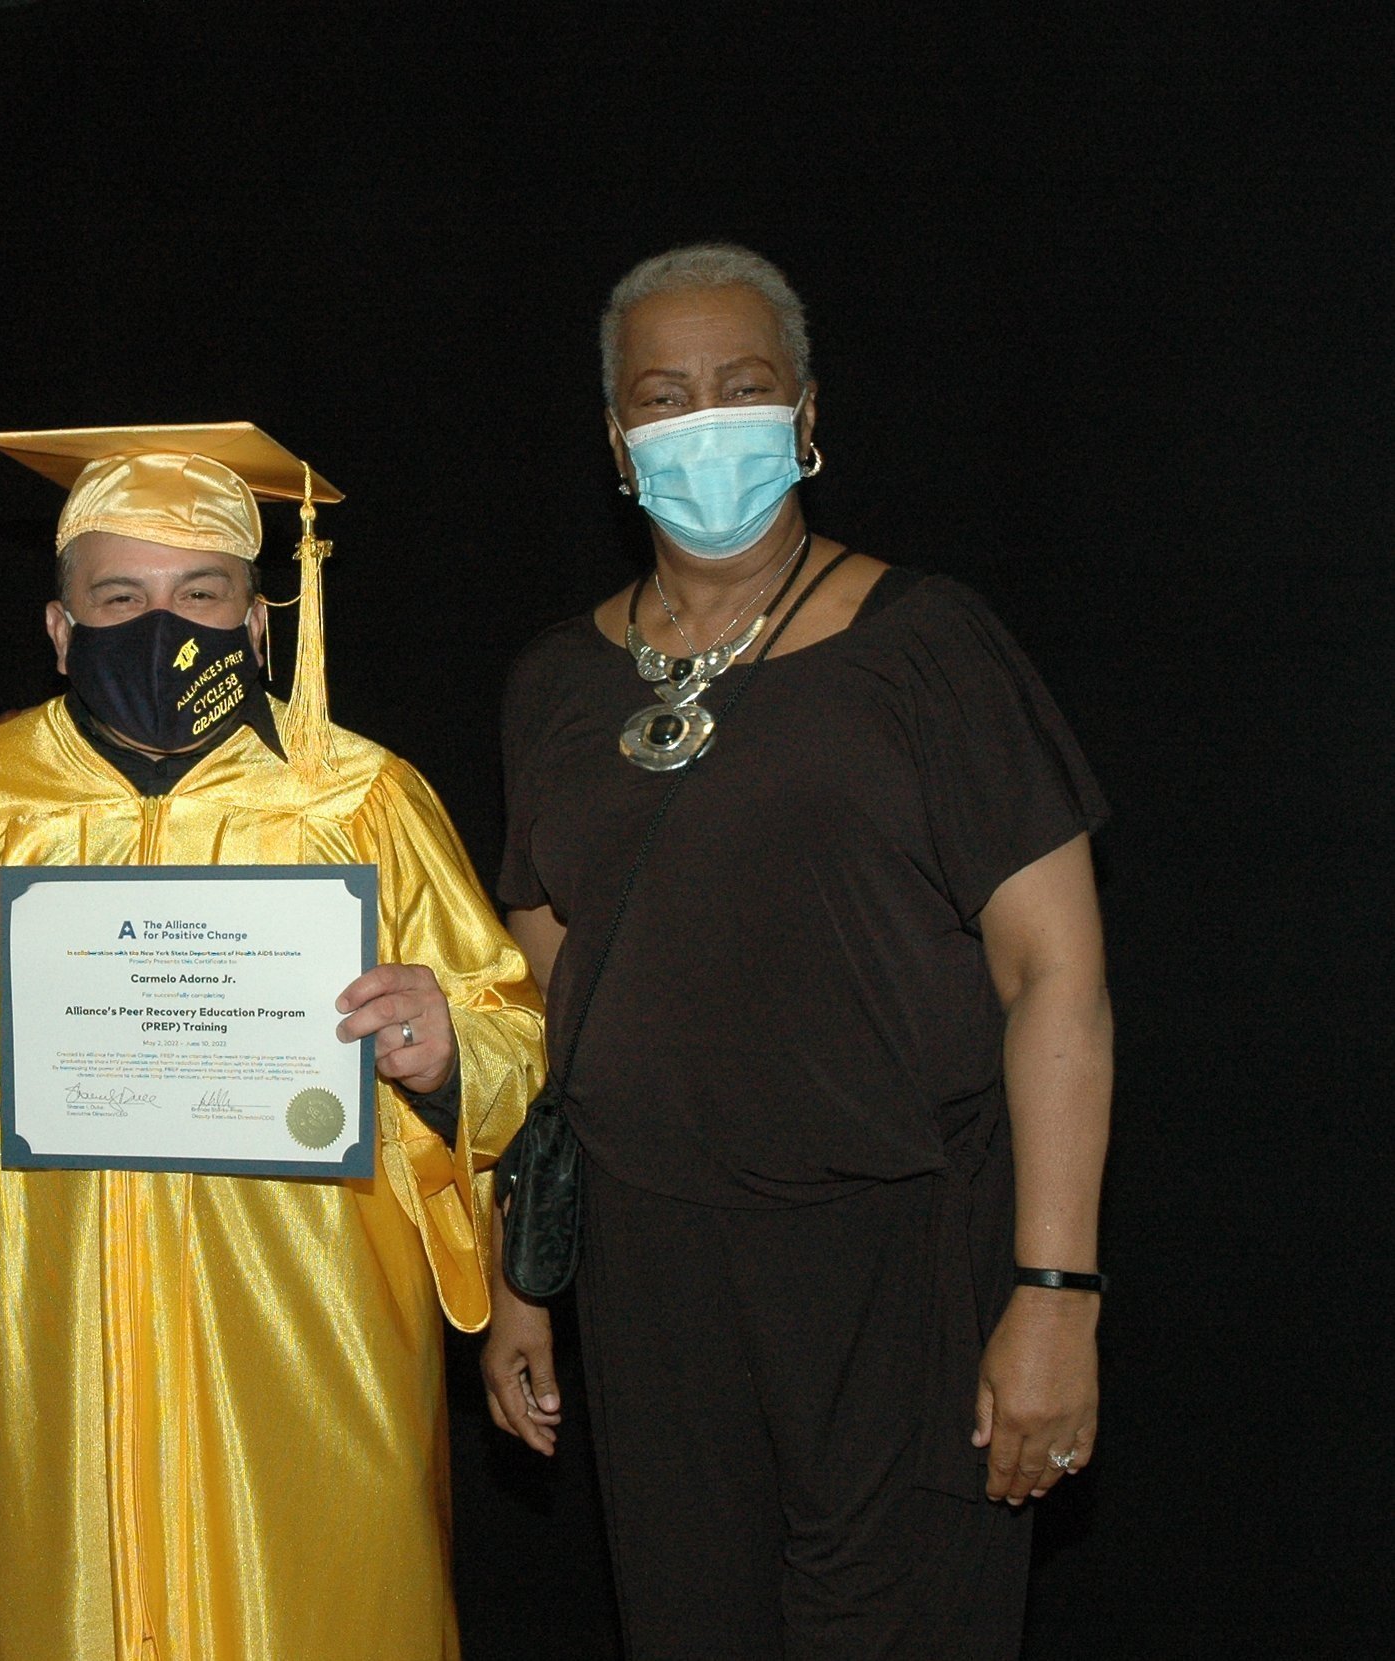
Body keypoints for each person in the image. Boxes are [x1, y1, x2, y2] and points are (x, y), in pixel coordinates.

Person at [0, 424, 544, 1661]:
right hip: (54, 1319)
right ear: (61, 627)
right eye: (118, 596)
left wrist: (453, 1049)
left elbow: (513, 1030)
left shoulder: (358, 796)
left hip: (312, 1318)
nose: (162, 623)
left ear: (254, 621)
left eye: (201, 592)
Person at [482, 243, 1113, 1658]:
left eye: (744, 386)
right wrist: (521, 1272)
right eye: (665, 395)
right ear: (617, 441)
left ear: (809, 415)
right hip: (650, 1281)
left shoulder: (929, 645)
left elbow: (1056, 978)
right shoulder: (552, 687)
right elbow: (545, 1022)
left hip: (901, 1258)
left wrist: (1056, 1294)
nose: (706, 420)